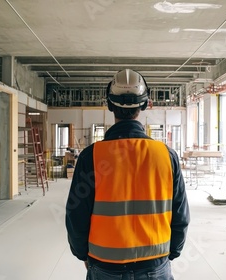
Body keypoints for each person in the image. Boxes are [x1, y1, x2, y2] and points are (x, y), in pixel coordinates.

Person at [65, 69, 190, 280]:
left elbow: (76, 216)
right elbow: (181, 215)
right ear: (143, 105)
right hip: (155, 265)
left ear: (110, 104)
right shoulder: (167, 156)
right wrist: (172, 252)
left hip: (105, 267)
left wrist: (82, 254)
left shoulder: (91, 157)